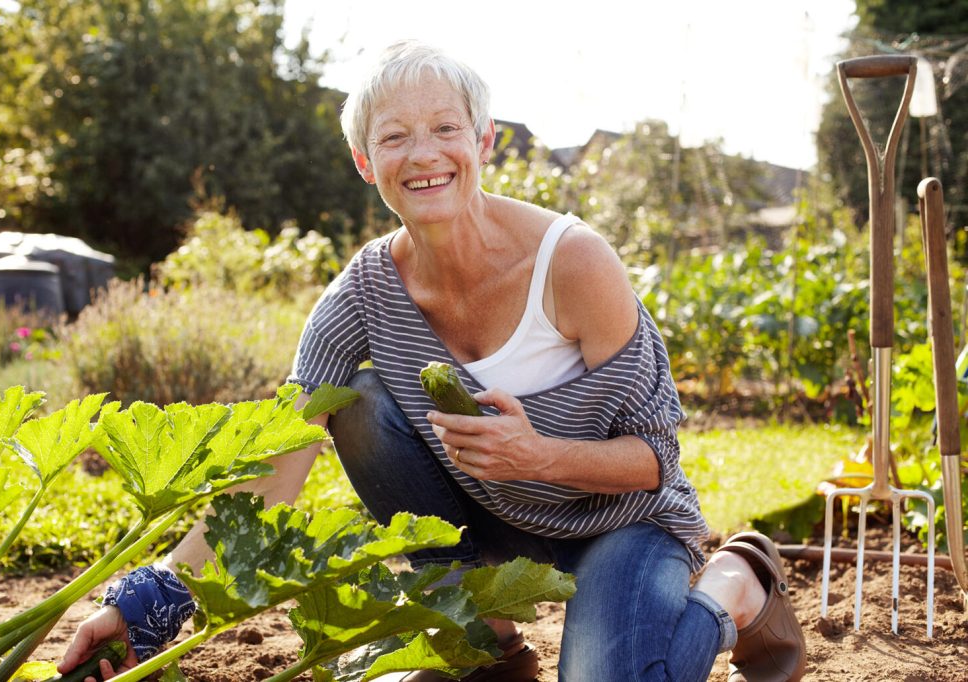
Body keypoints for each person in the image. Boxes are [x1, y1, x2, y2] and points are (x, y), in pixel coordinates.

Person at [58, 41, 806, 682]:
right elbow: (275, 461)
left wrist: (537, 455)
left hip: (624, 524)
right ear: (364, 161)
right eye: (394, 138)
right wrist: (154, 593)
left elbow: (656, 460)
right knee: (354, 402)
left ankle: (738, 585)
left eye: (445, 128)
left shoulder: (572, 263)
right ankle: (488, 643)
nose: (423, 154)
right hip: (490, 527)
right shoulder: (361, 293)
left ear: (481, 143)